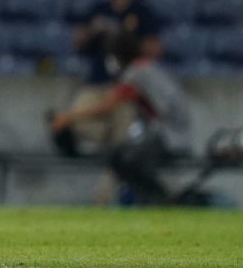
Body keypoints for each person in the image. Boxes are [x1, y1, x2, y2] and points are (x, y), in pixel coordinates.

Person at [51, 29, 192, 204]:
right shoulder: (146, 67)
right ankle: (156, 199)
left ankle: (160, 199)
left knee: (125, 159)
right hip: (169, 132)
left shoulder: (136, 73)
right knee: (123, 156)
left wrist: (68, 117)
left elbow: (108, 106)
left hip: (168, 135)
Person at [62, 0, 162, 154]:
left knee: (124, 139)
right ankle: (108, 142)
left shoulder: (141, 12)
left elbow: (155, 50)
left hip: (127, 86)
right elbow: (77, 43)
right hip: (97, 82)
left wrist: (123, 36)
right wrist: (93, 30)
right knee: (76, 120)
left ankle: (116, 160)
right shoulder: (99, 9)